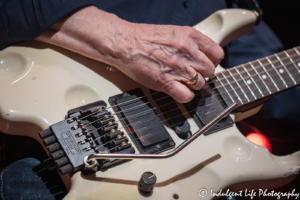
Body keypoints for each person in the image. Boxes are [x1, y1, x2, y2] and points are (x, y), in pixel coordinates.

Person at [0, 0, 290, 199]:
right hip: (37, 150)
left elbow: (280, 98)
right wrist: (125, 42)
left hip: (173, 177)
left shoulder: (240, 7)